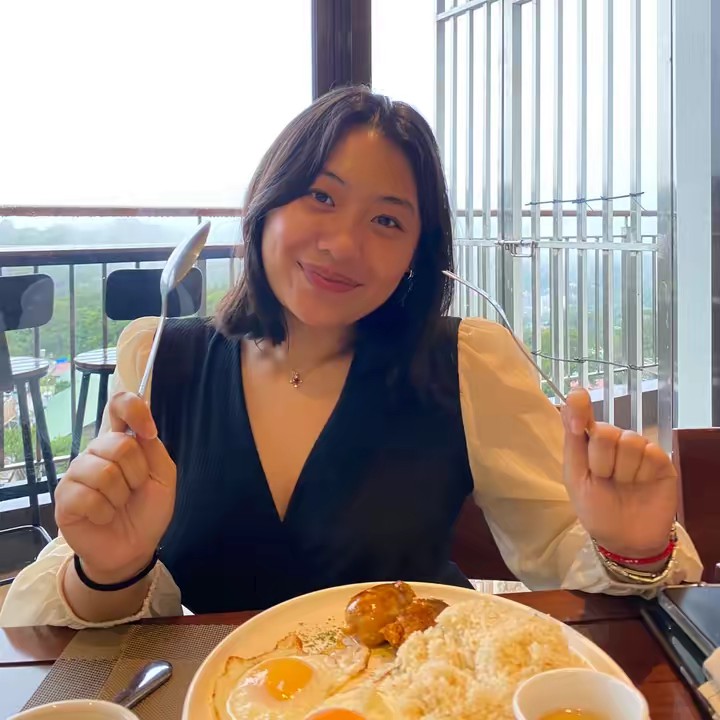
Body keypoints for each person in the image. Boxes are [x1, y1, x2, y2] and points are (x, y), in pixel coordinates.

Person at [0, 86, 702, 629]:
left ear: (417, 254)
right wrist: (110, 569)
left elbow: (566, 547)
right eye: (321, 196)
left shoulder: (466, 363)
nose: (342, 244)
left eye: (387, 219)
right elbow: (64, 598)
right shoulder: (160, 360)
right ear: (266, 205)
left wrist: (632, 545)